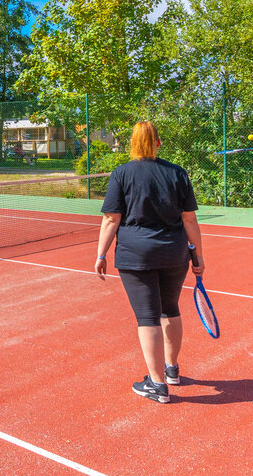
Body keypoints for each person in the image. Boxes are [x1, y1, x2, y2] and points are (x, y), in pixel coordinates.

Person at [95, 121, 202, 404]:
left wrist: (101, 254)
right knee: (170, 309)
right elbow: (189, 218)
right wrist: (198, 257)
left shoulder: (122, 173)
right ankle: (171, 370)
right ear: (158, 143)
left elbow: (111, 219)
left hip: (136, 253)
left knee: (147, 317)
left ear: (132, 144)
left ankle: (156, 384)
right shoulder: (177, 173)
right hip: (174, 253)